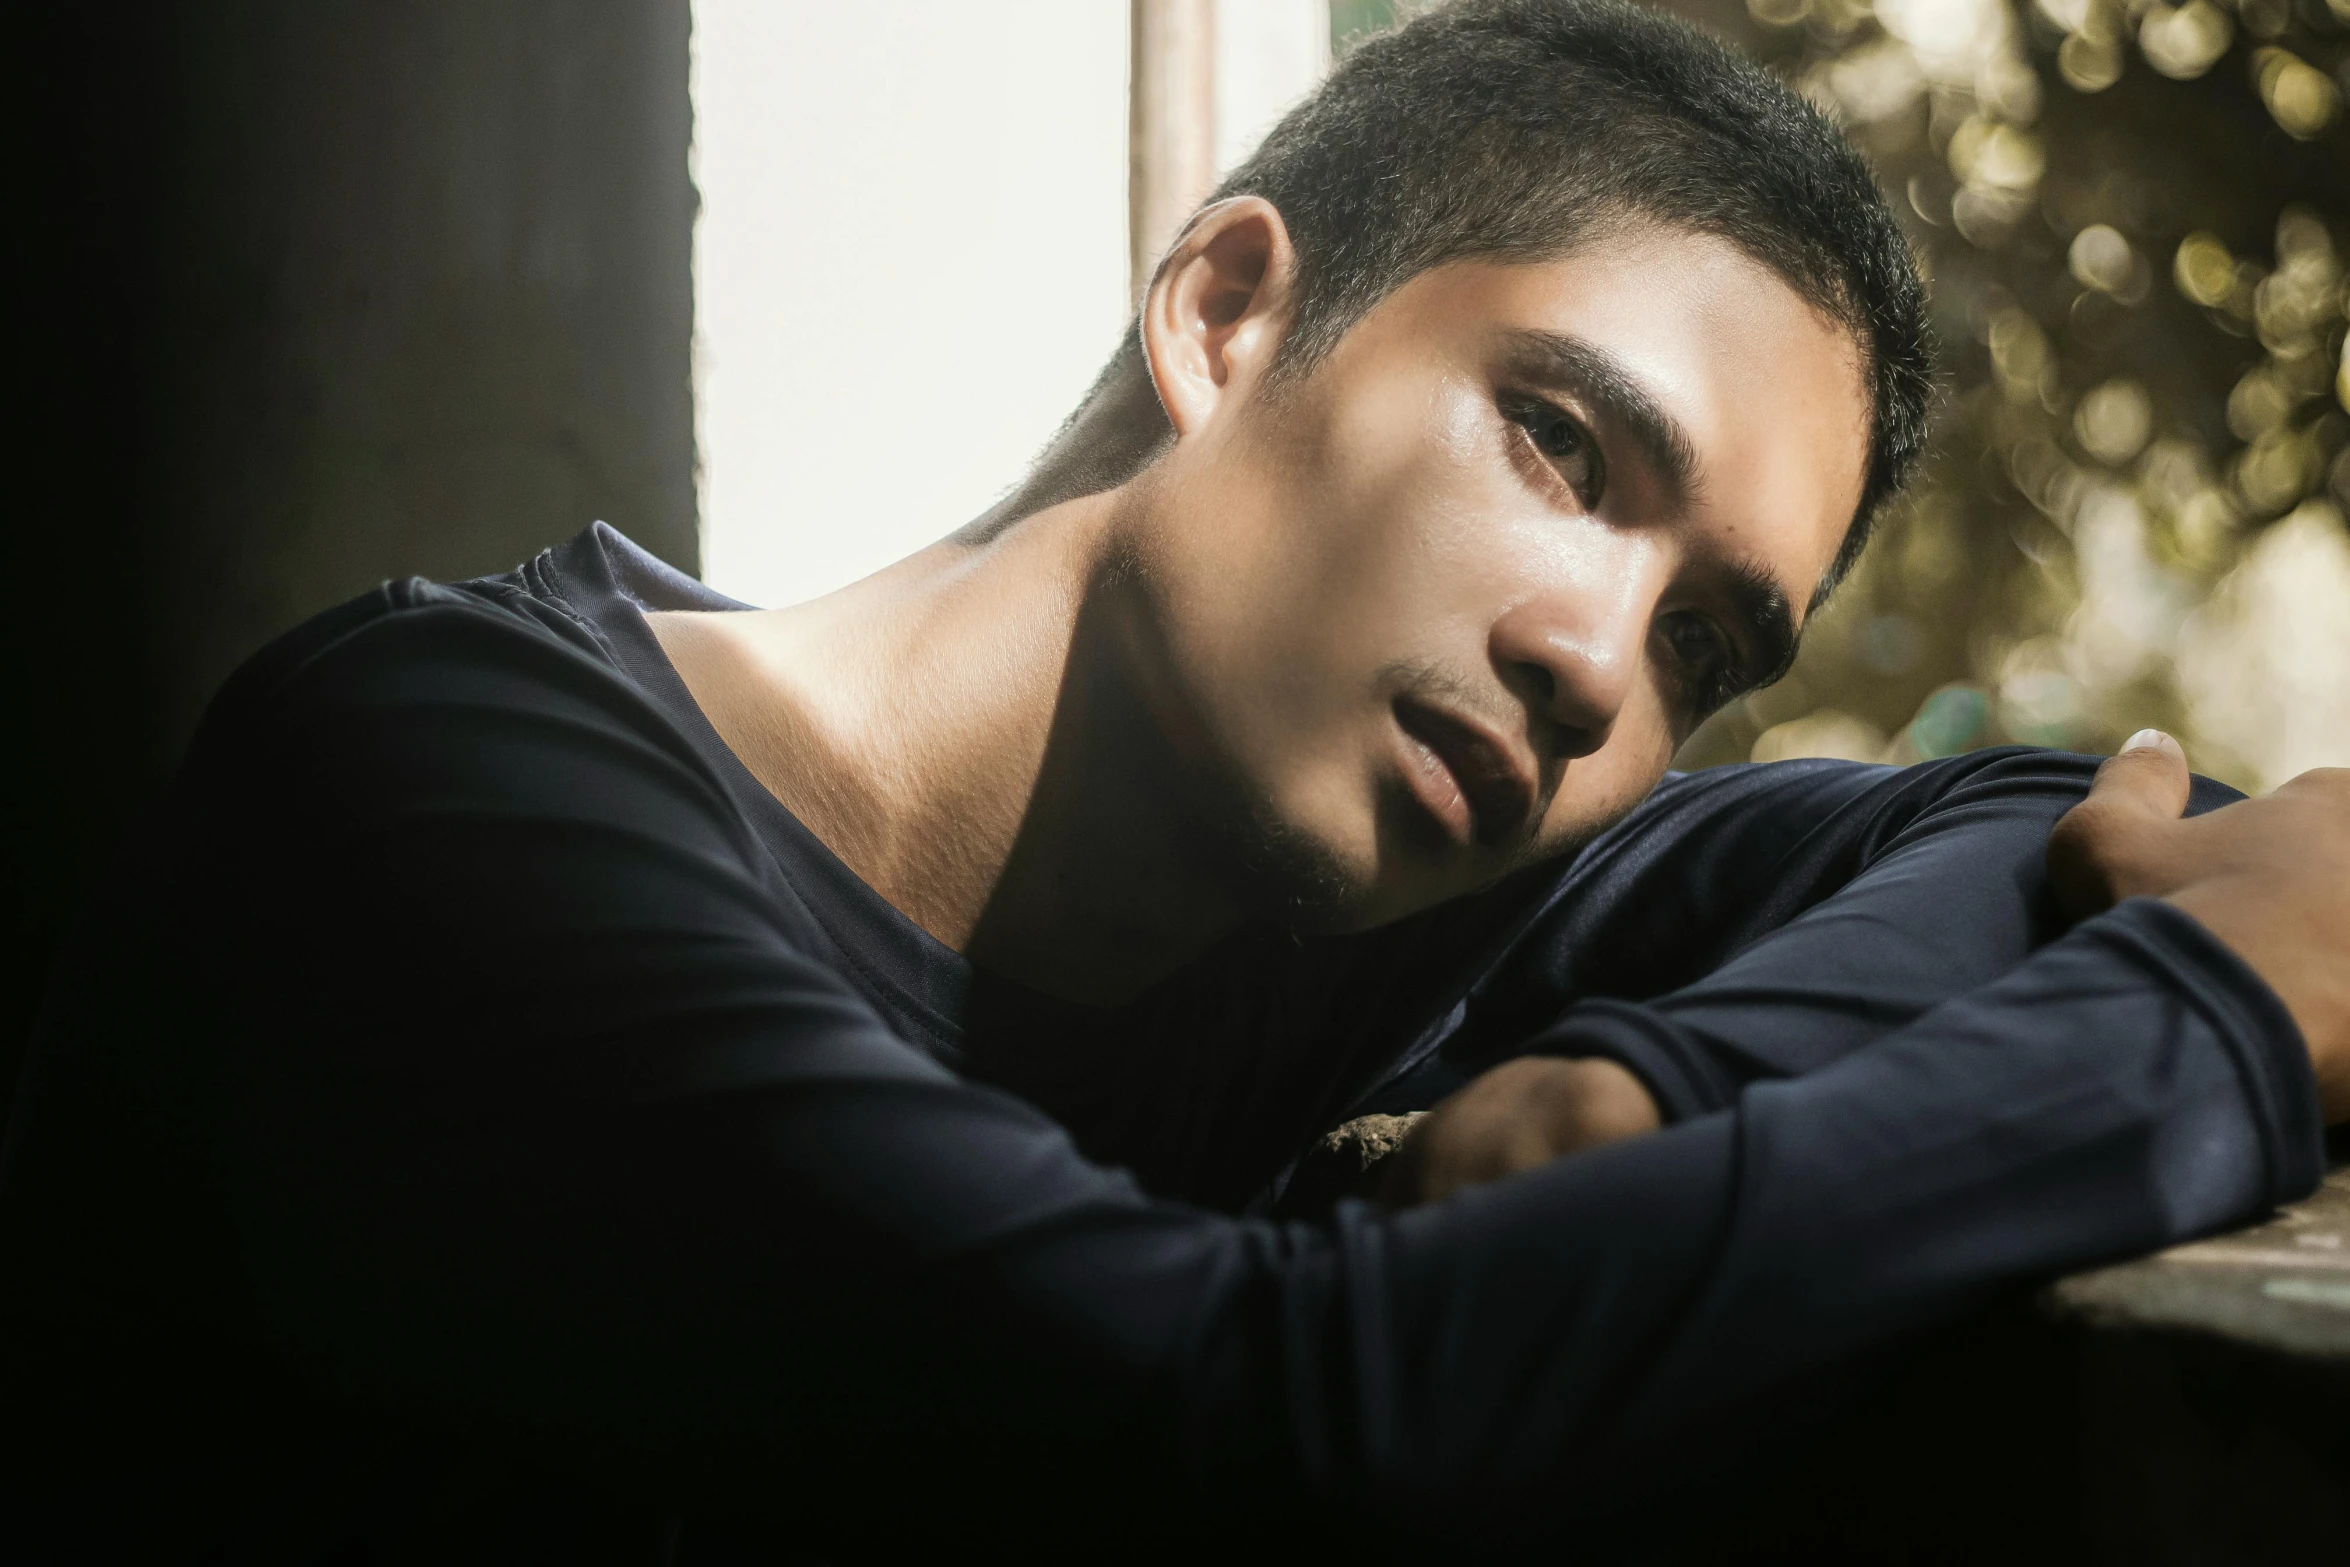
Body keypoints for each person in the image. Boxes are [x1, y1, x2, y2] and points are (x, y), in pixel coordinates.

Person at [5, 1, 2346, 1560]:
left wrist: (1646, 1082)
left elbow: (2023, 811)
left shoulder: (1344, 926)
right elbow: (1229, 1445)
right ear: (1224, 314)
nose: (1588, 665)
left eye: (1707, 646)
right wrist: (2212, 1020)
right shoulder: (430, 805)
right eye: (1556, 442)